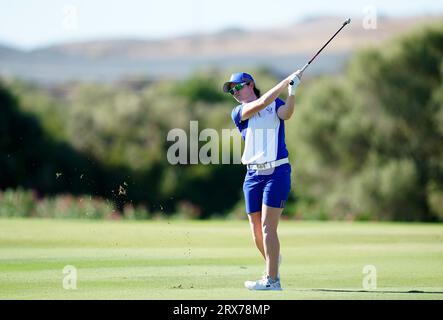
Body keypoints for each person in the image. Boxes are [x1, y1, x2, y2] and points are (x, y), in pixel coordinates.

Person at [223, 70, 302, 290]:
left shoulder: (275, 103)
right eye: (231, 90)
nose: (234, 93)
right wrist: (285, 81)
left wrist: (292, 91)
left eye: (237, 87)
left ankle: (272, 280)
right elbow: (261, 103)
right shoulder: (239, 112)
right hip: (252, 176)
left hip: (277, 172)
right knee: (256, 232)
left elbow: (286, 114)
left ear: (250, 84)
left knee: (268, 228)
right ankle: (273, 262)